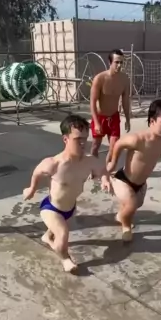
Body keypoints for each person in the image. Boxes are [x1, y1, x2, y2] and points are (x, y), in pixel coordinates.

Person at [23, 113, 112, 273]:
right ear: (65, 139)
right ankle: (65, 259)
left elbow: (102, 170)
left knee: (58, 230)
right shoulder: (54, 163)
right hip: (51, 208)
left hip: (70, 208)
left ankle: (47, 237)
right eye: (78, 139)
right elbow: (37, 172)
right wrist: (32, 189)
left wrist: (105, 180)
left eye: (85, 138)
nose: (83, 143)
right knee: (63, 234)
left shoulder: (89, 161)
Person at [106, 98, 161, 241]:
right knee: (131, 205)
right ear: (152, 121)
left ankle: (121, 215)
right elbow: (118, 144)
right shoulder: (138, 139)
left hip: (141, 183)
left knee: (137, 204)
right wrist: (113, 162)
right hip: (123, 179)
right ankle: (126, 226)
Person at [90, 49, 131, 164]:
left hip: (114, 117)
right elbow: (92, 102)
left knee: (114, 147)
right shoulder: (100, 79)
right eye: (116, 62)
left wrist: (128, 119)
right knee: (95, 146)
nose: (119, 65)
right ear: (110, 62)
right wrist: (96, 123)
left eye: (121, 62)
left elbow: (125, 101)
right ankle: (93, 168)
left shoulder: (125, 79)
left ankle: (106, 169)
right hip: (100, 117)